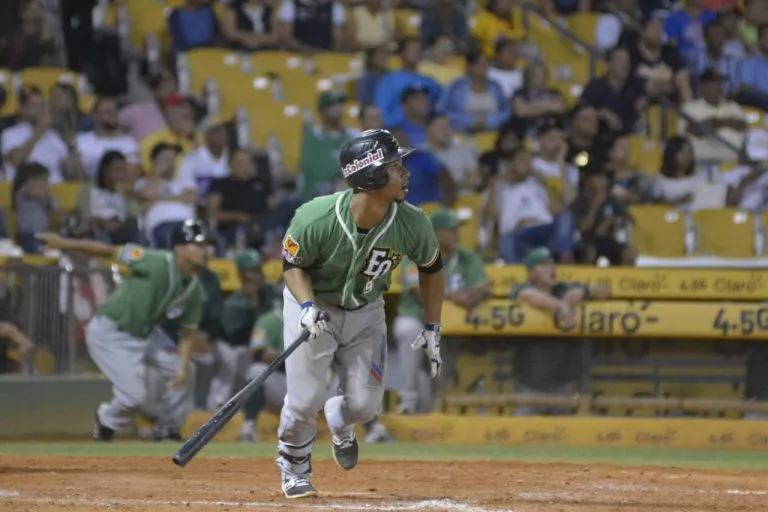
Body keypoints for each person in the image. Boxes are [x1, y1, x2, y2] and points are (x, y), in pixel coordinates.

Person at [276, 128, 445, 498]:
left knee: (366, 407)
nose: (405, 173)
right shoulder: (315, 216)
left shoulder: (412, 222)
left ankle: (339, 419)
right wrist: (306, 306)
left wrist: (433, 325)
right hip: (313, 305)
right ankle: (294, 466)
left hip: (366, 309)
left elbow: (432, 269)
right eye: (395, 166)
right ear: (370, 175)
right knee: (304, 400)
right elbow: (292, 265)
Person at [36, 220, 209, 441]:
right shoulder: (156, 260)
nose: (204, 251)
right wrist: (62, 243)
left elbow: (187, 332)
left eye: (204, 245)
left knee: (186, 371)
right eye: (197, 245)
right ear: (179, 248)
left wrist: (182, 368)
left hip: (146, 334)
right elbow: (108, 251)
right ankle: (106, 419)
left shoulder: (194, 288)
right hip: (111, 332)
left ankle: (169, 428)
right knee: (133, 397)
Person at [394, 209, 490, 414]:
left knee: (431, 399)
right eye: (452, 230)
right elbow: (420, 290)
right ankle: (408, 398)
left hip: (452, 330)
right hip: (419, 323)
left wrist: (472, 295)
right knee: (407, 328)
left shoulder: (465, 257)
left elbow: (484, 286)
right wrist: (455, 297)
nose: (458, 235)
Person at [207, 250, 274, 411]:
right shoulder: (235, 302)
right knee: (234, 360)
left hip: (260, 349)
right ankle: (215, 408)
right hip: (235, 348)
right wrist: (252, 305)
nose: (257, 276)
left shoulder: (268, 295)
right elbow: (234, 335)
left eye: (258, 270)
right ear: (243, 275)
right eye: (252, 271)